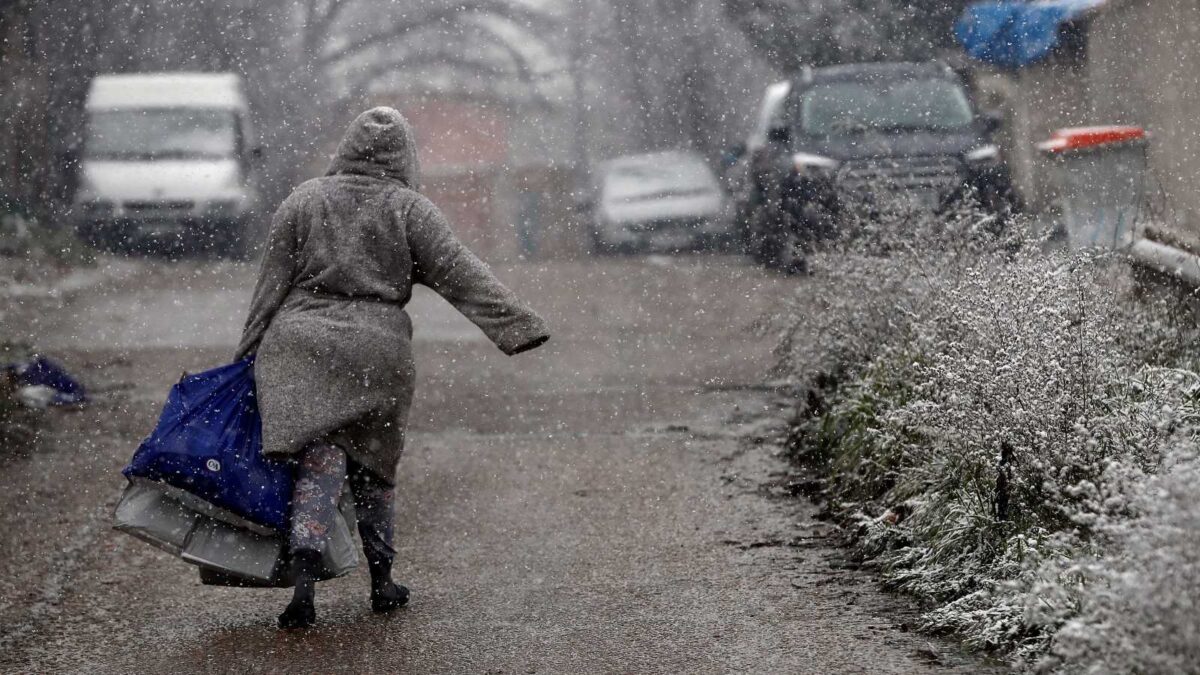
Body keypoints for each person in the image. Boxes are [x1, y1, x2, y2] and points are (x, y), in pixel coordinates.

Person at [235, 107, 550, 629]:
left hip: (300, 344)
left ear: (346, 148)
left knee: (320, 454)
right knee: (375, 465)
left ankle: (305, 571)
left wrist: (244, 356)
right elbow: (461, 273)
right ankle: (382, 582)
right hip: (376, 350)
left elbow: (268, 288)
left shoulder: (305, 200)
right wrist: (518, 326)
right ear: (405, 154)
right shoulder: (410, 210)